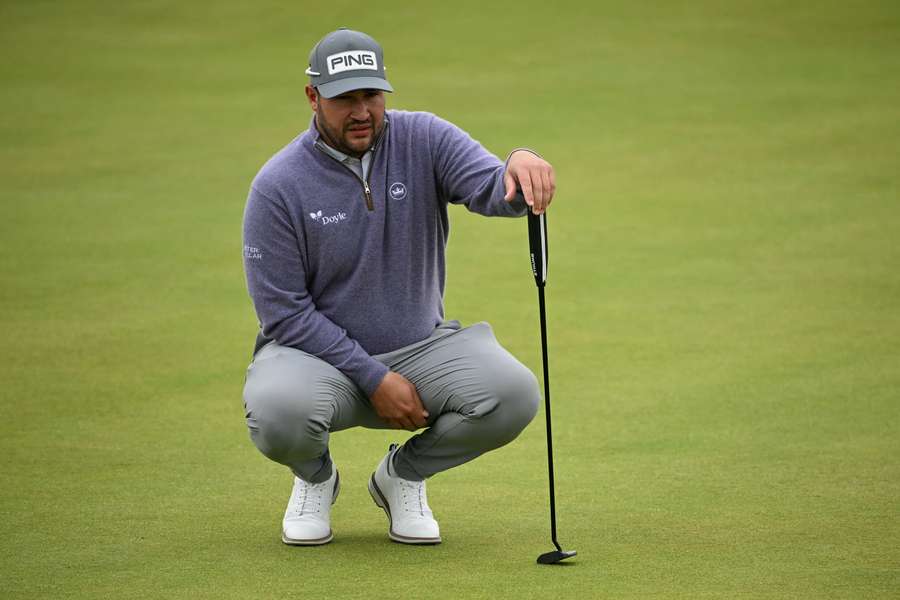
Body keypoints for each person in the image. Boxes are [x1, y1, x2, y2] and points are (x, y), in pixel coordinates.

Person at [241, 28, 556, 546]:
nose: (361, 111)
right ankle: (316, 479)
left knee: (513, 394)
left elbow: (492, 189)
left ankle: (402, 476)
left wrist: (520, 164)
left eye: (372, 95)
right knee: (277, 413)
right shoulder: (278, 186)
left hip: (420, 349)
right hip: (317, 364)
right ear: (313, 97)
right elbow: (284, 315)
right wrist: (373, 377)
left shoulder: (424, 138)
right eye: (345, 98)